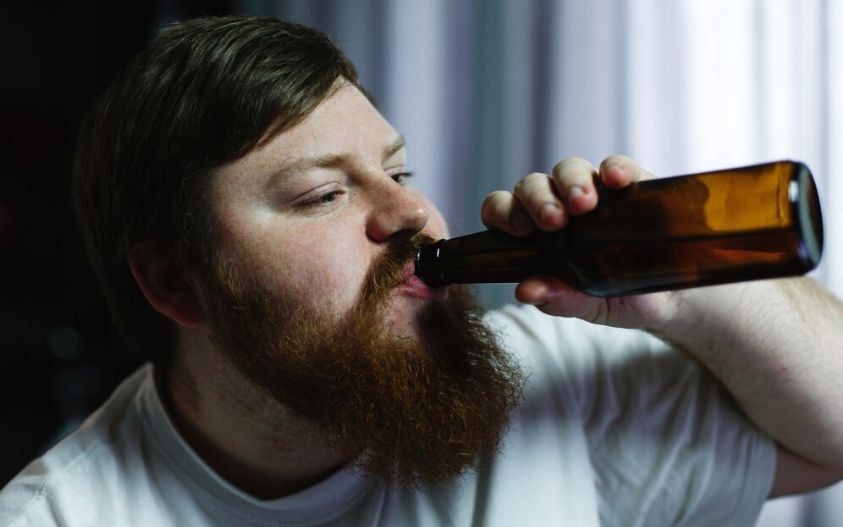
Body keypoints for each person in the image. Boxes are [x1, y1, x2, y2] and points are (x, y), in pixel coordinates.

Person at [2, 15, 842, 527]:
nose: (413, 215)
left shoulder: (536, 379)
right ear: (177, 283)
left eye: (398, 173)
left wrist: (683, 296)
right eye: (323, 193)